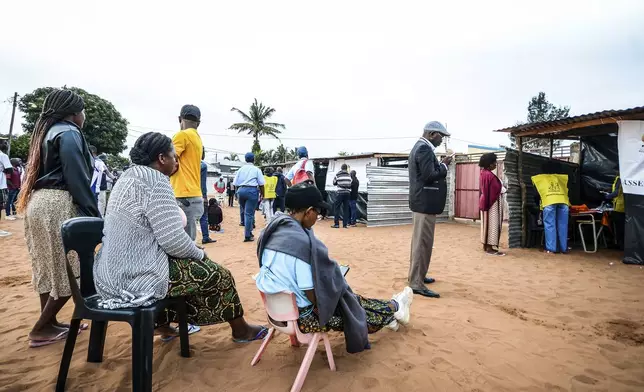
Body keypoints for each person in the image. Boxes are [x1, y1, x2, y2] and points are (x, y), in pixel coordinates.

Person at [94, 132, 267, 342]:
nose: (176, 161)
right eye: (174, 156)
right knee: (219, 274)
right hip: (135, 278)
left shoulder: (126, 178)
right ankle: (241, 331)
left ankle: (163, 326)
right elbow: (174, 241)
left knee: (176, 267)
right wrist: (200, 254)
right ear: (161, 158)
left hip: (107, 276)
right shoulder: (155, 181)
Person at [256, 182, 414, 353]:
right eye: (318, 212)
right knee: (353, 310)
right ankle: (394, 308)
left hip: (278, 310)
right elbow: (310, 292)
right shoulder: (299, 245)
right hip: (305, 317)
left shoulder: (272, 232)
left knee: (349, 298)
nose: (318, 217)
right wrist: (331, 296)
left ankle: (394, 307)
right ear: (309, 211)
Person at [16, 89, 99, 347]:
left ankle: (50, 324)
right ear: (74, 114)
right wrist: (92, 213)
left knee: (46, 265)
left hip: (38, 203)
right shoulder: (70, 133)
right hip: (58, 204)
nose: (83, 116)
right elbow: (76, 176)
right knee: (72, 267)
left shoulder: (45, 132)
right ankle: (41, 327)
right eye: (82, 111)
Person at [408, 121, 452, 298]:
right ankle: (416, 283)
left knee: (421, 243)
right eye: (442, 136)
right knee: (422, 244)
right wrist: (444, 165)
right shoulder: (424, 149)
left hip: (423, 204)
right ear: (433, 134)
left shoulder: (421, 148)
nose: (442, 140)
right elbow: (428, 176)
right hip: (424, 204)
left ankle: (418, 276)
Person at [170, 104, 204, 241]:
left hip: (183, 196)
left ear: (180, 119)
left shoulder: (181, 135)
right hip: (194, 195)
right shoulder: (197, 138)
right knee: (189, 241)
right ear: (199, 123)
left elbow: (169, 159)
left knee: (183, 245)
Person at [532, 161, 570, 254]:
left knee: (550, 225)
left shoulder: (540, 179)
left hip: (549, 202)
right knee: (563, 225)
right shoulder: (562, 178)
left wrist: (538, 204)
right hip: (563, 202)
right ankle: (563, 248)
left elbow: (537, 194)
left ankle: (551, 248)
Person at [233, 152, 265, 242]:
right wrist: (263, 194)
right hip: (252, 191)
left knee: (246, 212)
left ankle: (250, 231)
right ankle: (247, 235)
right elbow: (261, 184)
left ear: (245, 159)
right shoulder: (256, 170)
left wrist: (237, 193)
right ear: (253, 159)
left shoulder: (241, 169)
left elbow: (235, 183)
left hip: (241, 191)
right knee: (249, 214)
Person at [479, 153, 506, 256]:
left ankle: (486, 245)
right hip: (491, 203)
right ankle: (489, 248)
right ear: (490, 164)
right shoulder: (488, 175)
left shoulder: (485, 173)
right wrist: (502, 190)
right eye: (494, 162)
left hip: (487, 202)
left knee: (487, 224)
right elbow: (493, 189)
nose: (495, 164)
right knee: (492, 225)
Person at [605, 174, 625, 250]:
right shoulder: (621, 177)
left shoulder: (621, 178)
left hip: (620, 207)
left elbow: (617, 192)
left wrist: (607, 196)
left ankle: (621, 246)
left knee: (620, 229)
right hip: (622, 206)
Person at [331, 163, 352, 229]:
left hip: (340, 193)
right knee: (346, 209)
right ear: (346, 168)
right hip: (347, 193)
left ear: (341, 168)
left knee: (337, 208)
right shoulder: (349, 175)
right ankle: (345, 225)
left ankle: (336, 224)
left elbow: (334, 183)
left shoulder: (338, 175)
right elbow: (350, 184)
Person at [200, 160, 215, 244]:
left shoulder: (185, 163)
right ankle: (205, 237)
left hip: (183, 193)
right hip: (200, 193)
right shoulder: (202, 165)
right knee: (204, 217)